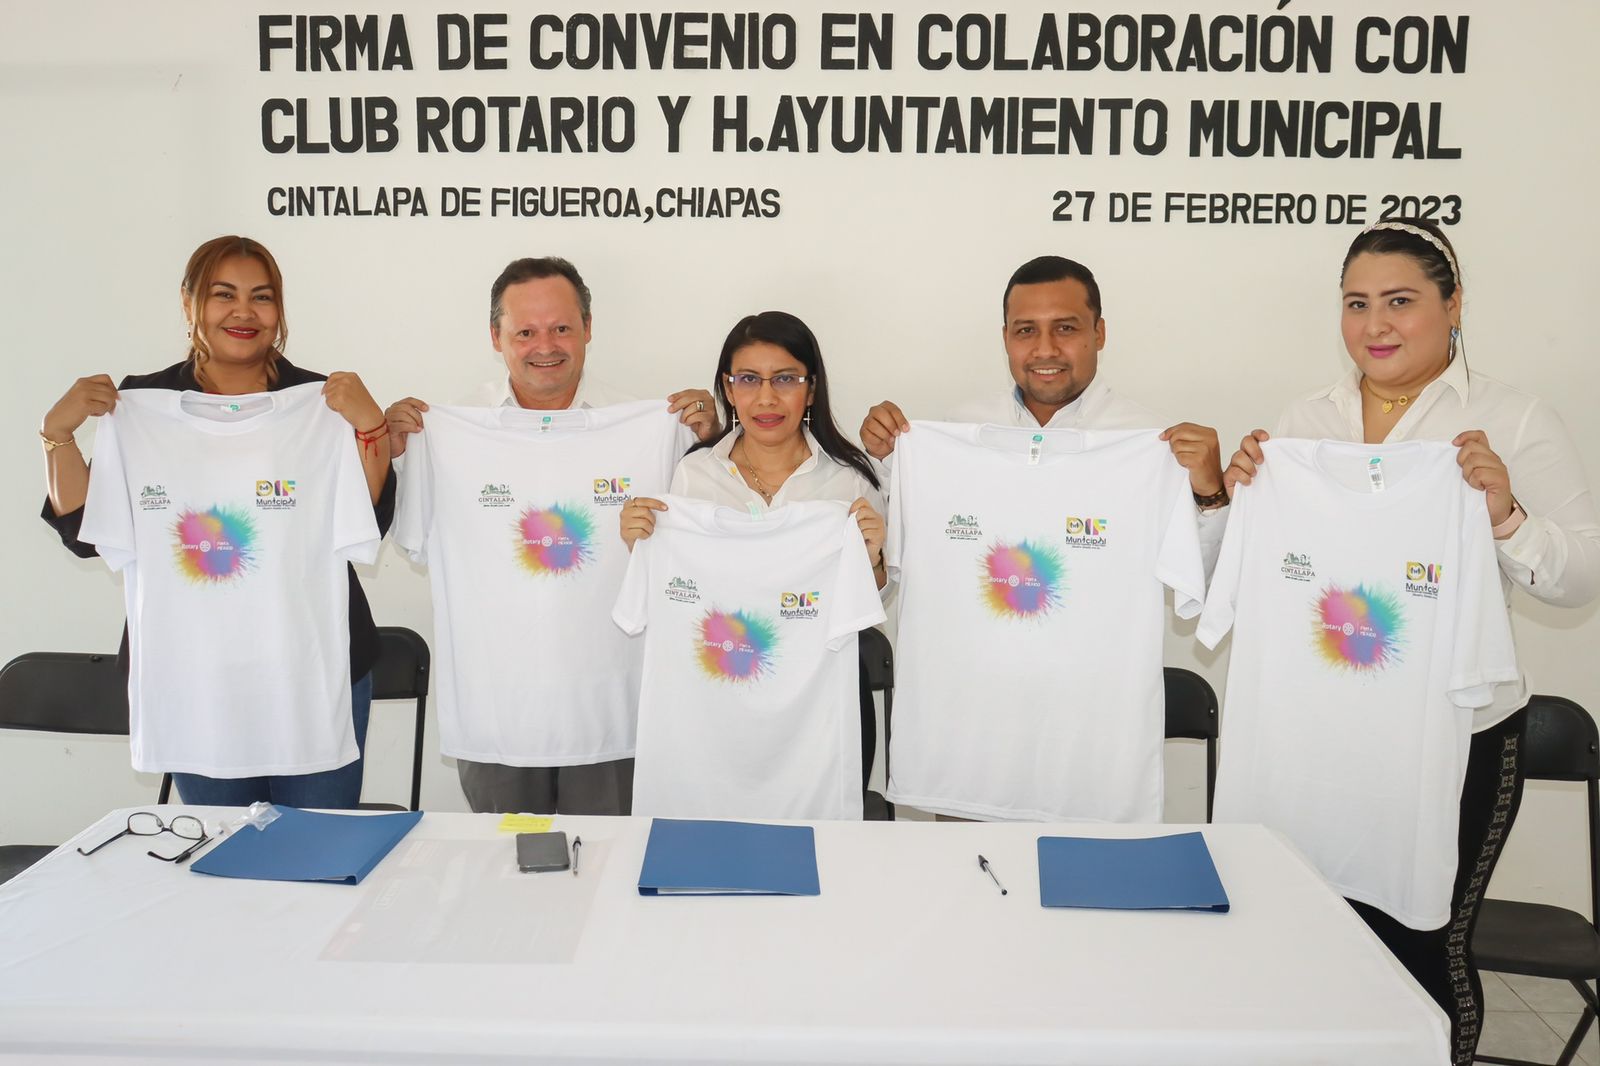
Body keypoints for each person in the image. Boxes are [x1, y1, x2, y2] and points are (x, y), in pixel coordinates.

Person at [1222, 217, 1600, 1064]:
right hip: (1325, 731)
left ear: (1453, 304)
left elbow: (1582, 576)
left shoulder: (1512, 419)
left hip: (1456, 735)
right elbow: (1263, 573)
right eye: (1356, 304)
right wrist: (1235, 497)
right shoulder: (1306, 419)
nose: (1375, 325)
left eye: (1400, 301)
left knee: (1426, 945)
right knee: (1312, 928)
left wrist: (1507, 516)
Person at [39, 235, 394, 808]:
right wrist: (57, 434)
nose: (244, 312)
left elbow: (367, 518)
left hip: (313, 669)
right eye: (223, 294)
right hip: (193, 676)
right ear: (189, 302)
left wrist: (370, 426)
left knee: (320, 845)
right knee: (220, 849)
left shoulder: (321, 401)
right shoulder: (140, 404)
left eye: (262, 296)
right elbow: (87, 532)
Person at [383, 256, 721, 816]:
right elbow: (409, 535)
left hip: (616, 718)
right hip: (499, 721)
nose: (545, 345)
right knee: (509, 866)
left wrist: (709, 445)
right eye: (526, 332)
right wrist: (393, 450)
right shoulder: (441, 430)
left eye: (561, 327)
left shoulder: (655, 426)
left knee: (612, 864)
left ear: (588, 328)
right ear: (496, 336)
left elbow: (707, 553)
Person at [620, 310, 889, 791]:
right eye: (748, 379)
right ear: (727, 388)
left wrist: (871, 559)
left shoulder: (850, 480)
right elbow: (677, 593)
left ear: (811, 389)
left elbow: (871, 600)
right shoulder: (693, 474)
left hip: (819, 708)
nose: (766, 398)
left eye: (785, 378)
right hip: (715, 706)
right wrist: (639, 547)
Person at [858, 255, 1230, 570]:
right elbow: (902, 554)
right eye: (1026, 331)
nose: (1046, 349)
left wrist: (1210, 495)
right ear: (1006, 338)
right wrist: (891, 462)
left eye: (1065, 328)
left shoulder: (1153, 442)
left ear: (1099, 333)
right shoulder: (957, 428)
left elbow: (1197, 578)